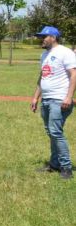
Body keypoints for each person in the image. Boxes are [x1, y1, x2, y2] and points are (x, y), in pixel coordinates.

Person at [31, 26, 75, 180]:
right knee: (51, 132)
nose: (41, 39)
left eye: (44, 36)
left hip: (60, 99)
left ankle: (66, 167)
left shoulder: (65, 52)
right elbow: (42, 77)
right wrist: (35, 97)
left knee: (56, 132)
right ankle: (54, 164)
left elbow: (74, 75)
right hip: (47, 99)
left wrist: (69, 97)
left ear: (54, 37)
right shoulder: (44, 55)